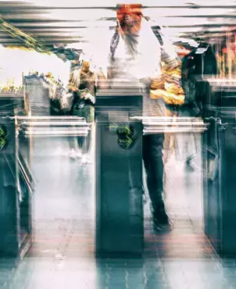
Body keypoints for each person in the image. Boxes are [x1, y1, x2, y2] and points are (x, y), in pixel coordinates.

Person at [107, 4, 172, 231]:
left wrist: (154, 79)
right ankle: (130, 206)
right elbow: (106, 73)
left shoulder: (156, 33)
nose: (125, 17)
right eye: (121, 13)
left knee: (154, 162)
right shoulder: (112, 37)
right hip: (123, 116)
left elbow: (173, 67)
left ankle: (158, 207)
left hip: (152, 114)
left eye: (130, 12)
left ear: (140, 14)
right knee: (124, 163)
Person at [68, 58, 97, 164]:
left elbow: (97, 89)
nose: (87, 64)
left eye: (89, 62)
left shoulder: (94, 74)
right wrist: (75, 89)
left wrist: (90, 95)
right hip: (77, 104)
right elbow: (69, 85)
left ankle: (86, 153)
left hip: (89, 105)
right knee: (78, 129)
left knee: (88, 130)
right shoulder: (75, 74)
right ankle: (79, 149)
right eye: (85, 62)